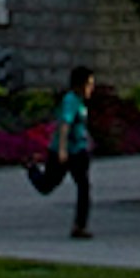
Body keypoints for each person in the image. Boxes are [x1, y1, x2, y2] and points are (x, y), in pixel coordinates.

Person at [52, 63, 97, 240]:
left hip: (79, 150)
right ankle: (31, 168)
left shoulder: (80, 102)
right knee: (48, 184)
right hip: (68, 150)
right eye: (89, 84)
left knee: (84, 187)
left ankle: (80, 225)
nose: (92, 88)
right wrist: (62, 150)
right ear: (79, 84)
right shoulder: (70, 100)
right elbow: (65, 125)